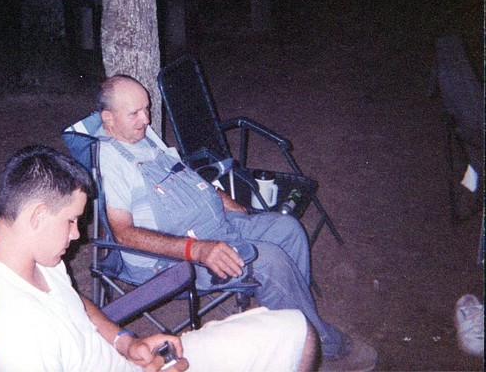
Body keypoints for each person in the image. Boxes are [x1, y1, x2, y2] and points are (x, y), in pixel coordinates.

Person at [95, 75, 378, 372]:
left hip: (212, 224)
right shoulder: (111, 160)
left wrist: (219, 197)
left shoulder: (141, 135)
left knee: (288, 230)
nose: (146, 119)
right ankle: (321, 346)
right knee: (270, 262)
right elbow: (124, 234)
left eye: (147, 109)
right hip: (171, 259)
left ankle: (295, 321)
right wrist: (197, 249)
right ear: (108, 118)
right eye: (135, 113)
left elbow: (181, 176)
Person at [0, 145, 318, 372]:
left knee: (300, 334)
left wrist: (125, 342)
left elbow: (74, 301)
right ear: (37, 216)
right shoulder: (17, 333)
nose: (77, 235)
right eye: (71, 221)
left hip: (134, 362)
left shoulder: (32, 254)